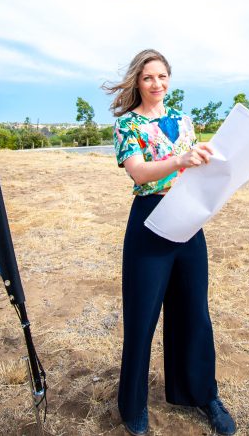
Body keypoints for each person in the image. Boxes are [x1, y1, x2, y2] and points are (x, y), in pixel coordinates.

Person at [103, 48, 237, 436]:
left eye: (162, 77)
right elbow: (140, 174)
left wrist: (211, 162)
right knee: (142, 318)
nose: (156, 84)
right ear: (137, 82)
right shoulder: (127, 125)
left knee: (195, 312)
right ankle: (133, 406)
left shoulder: (184, 121)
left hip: (189, 218)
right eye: (148, 78)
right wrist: (180, 161)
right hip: (149, 221)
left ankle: (202, 395)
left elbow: (196, 170)